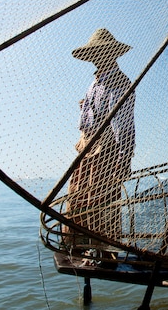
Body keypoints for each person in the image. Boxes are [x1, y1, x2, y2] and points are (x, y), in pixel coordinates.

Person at [66, 28, 135, 257]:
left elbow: (122, 124)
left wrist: (123, 158)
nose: (96, 57)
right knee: (79, 198)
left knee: (101, 202)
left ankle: (102, 252)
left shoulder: (118, 80)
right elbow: (93, 113)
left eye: (100, 52)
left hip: (104, 151)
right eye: (94, 53)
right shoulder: (96, 81)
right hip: (88, 147)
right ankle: (83, 248)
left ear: (111, 53)